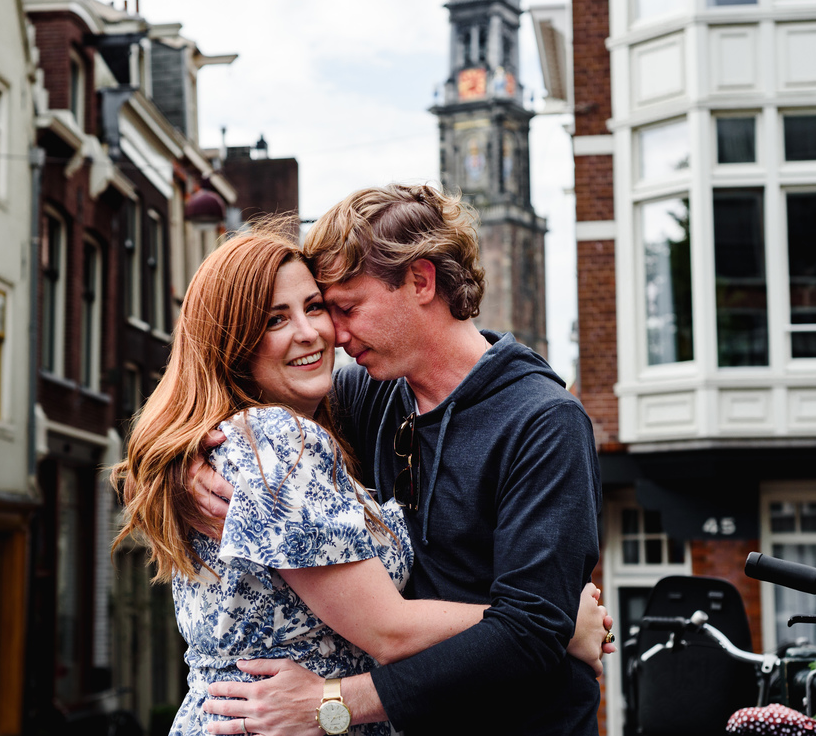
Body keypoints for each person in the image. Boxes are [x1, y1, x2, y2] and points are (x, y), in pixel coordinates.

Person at [111, 229, 610, 736]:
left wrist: (169, 462)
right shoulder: (291, 432)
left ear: (421, 281)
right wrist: (556, 623)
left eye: (329, 308)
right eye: (276, 319)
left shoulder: (534, 419)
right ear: (233, 342)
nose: (327, 334)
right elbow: (388, 629)